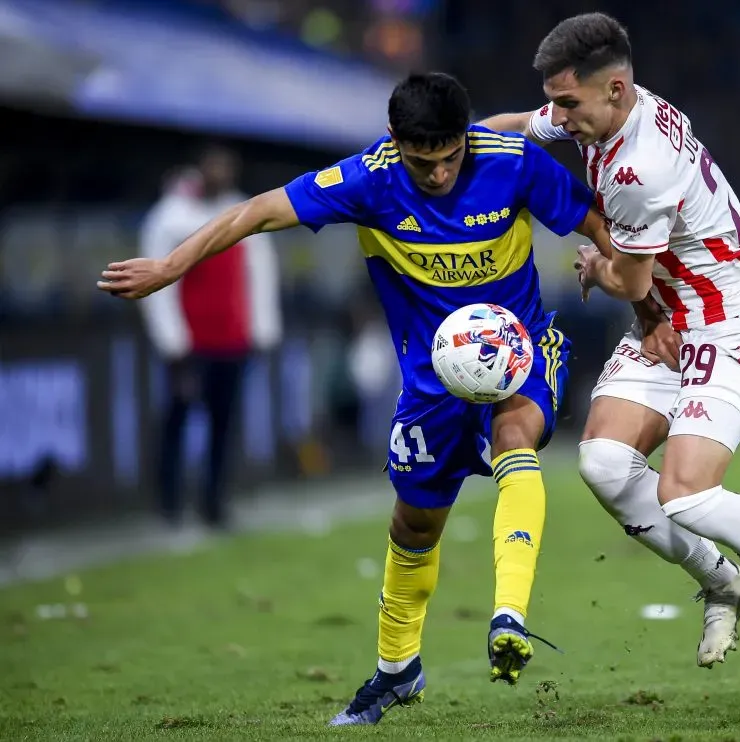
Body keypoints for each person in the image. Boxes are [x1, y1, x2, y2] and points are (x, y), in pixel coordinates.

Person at [97, 72, 609, 724]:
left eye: (452, 156)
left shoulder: (513, 164)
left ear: (466, 137)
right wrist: (169, 268)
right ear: (397, 143)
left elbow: (598, 222)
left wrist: (647, 301)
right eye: (425, 162)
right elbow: (256, 212)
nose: (441, 174)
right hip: (431, 379)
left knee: (517, 433)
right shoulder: (368, 178)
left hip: (520, 349)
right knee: (413, 524)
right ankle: (398, 671)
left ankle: (508, 614)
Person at [481, 13, 740, 693]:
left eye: (569, 104)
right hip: (672, 314)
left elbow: (627, 278)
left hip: (730, 319)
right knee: (602, 463)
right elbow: (519, 127)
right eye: (558, 101)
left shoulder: (638, 166)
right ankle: (722, 583)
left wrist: (596, 268)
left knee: (684, 494)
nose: (560, 118)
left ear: (617, 90)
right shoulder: (602, 111)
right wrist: (458, 140)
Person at [138, 145, 282, 529]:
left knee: (223, 425)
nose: (220, 173)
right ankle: (168, 503)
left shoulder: (242, 212)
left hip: (233, 341)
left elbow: (261, 274)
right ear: (201, 170)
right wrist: (171, 341)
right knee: (177, 419)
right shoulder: (171, 217)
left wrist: (262, 329)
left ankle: (214, 502)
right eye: (213, 166)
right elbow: (158, 281)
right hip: (191, 344)